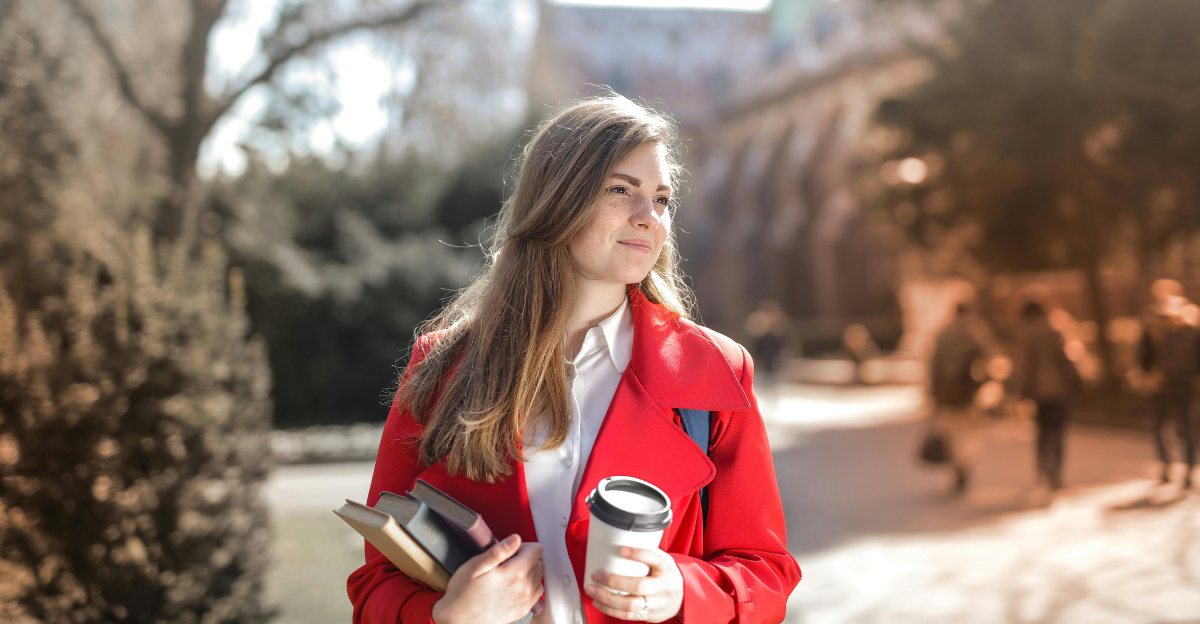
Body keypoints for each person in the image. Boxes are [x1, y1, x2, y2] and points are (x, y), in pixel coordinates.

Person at [347, 94, 801, 624]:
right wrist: (447, 615)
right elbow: (375, 582)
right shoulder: (442, 367)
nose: (649, 217)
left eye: (661, 198)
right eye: (620, 190)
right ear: (556, 201)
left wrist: (683, 589)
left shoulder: (716, 371)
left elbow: (766, 571)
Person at [1015, 302, 1082, 491]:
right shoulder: (1056, 330)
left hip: (1039, 391)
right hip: (1060, 390)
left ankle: (1043, 468)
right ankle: (1056, 472)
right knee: (1058, 432)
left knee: (1042, 432)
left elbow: (1026, 366)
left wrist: (1022, 391)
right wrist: (1075, 383)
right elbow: (1067, 360)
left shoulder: (1028, 336)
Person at [1138, 282, 1199, 489]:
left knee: (1159, 427)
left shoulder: (1152, 325)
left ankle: (1166, 466)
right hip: (1187, 385)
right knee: (1187, 429)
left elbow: (1143, 360)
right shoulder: (1190, 324)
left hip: (1159, 385)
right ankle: (1190, 469)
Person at [928, 303, 986, 495]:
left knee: (951, 433)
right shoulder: (974, 333)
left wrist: (932, 393)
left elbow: (933, 366)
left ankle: (957, 465)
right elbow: (988, 359)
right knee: (968, 431)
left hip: (945, 392)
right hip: (966, 392)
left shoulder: (943, 334)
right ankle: (964, 463)